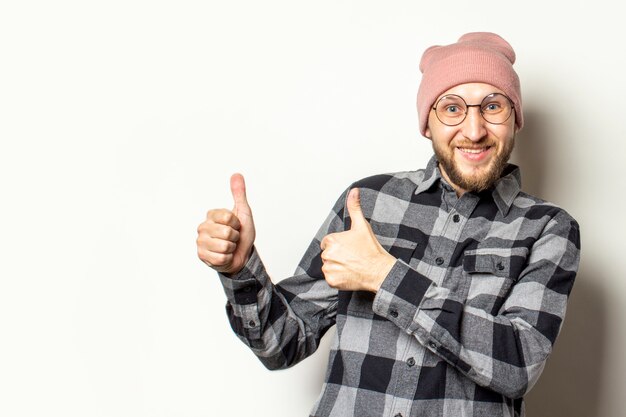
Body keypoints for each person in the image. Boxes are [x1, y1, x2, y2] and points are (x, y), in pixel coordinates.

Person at [196, 32, 581, 417]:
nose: (475, 130)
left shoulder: (549, 229)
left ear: (515, 118)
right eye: (451, 108)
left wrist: (385, 276)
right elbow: (282, 343)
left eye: (493, 106)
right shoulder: (368, 202)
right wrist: (239, 270)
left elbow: (518, 364)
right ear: (428, 123)